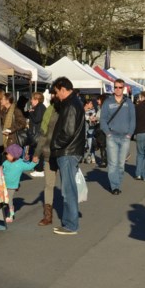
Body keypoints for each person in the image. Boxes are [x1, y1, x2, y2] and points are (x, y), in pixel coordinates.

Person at [49, 76, 85, 236]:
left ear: (63, 89)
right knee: (69, 188)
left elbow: (68, 132)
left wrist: (55, 144)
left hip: (68, 151)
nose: (56, 95)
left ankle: (71, 224)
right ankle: (70, 222)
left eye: (57, 92)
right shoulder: (73, 103)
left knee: (68, 189)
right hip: (70, 151)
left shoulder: (71, 105)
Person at [98, 79, 136, 195]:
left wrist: (130, 134)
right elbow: (103, 119)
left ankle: (117, 183)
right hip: (112, 137)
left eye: (120, 87)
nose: (118, 89)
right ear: (113, 88)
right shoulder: (108, 102)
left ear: (123, 88)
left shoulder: (128, 102)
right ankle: (114, 186)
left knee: (121, 164)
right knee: (113, 163)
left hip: (125, 137)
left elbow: (133, 119)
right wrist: (107, 133)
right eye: (116, 87)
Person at [35, 94, 60, 226]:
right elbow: (43, 134)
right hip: (49, 152)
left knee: (68, 186)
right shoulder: (49, 111)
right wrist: (36, 153)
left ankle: (69, 214)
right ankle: (48, 216)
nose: (54, 95)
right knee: (49, 185)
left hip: (64, 153)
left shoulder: (68, 110)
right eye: (53, 93)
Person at [1, 143, 37, 224]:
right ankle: (4, 210)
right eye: (7, 154)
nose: (7, 156)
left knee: (9, 199)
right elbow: (2, 171)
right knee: (3, 199)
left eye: (9, 154)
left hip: (12, 186)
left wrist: (34, 162)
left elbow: (29, 166)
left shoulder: (20, 163)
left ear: (15, 156)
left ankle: (10, 214)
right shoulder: (5, 163)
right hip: (3, 184)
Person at [25, 92, 47, 176]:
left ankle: (39, 169)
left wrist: (30, 112)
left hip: (38, 132)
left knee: (38, 151)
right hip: (37, 132)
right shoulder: (39, 107)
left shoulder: (40, 107)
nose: (31, 101)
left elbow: (37, 119)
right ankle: (37, 168)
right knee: (36, 150)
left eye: (32, 99)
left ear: (37, 99)